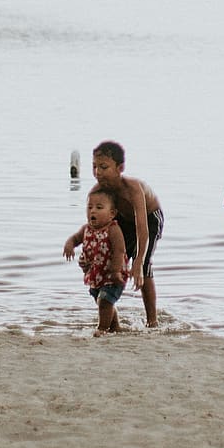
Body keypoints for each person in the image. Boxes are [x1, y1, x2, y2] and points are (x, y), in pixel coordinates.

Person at [90, 141, 164, 329]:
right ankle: (112, 320)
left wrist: (138, 262)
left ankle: (152, 321)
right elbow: (95, 224)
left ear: (119, 168)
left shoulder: (132, 188)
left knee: (144, 265)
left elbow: (142, 228)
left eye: (104, 167)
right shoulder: (98, 191)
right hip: (122, 220)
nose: (98, 172)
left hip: (149, 218)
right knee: (106, 264)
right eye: (95, 167)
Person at [62, 185, 129, 335]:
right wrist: (69, 245)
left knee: (105, 301)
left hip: (113, 274)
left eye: (99, 207)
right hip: (96, 274)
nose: (93, 211)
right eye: (90, 207)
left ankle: (102, 329)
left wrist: (116, 271)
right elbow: (75, 238)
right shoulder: (86, 229)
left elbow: (120, 250)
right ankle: (115, 327)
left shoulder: (113, 229)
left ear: (112, 213)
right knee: (102, 300)